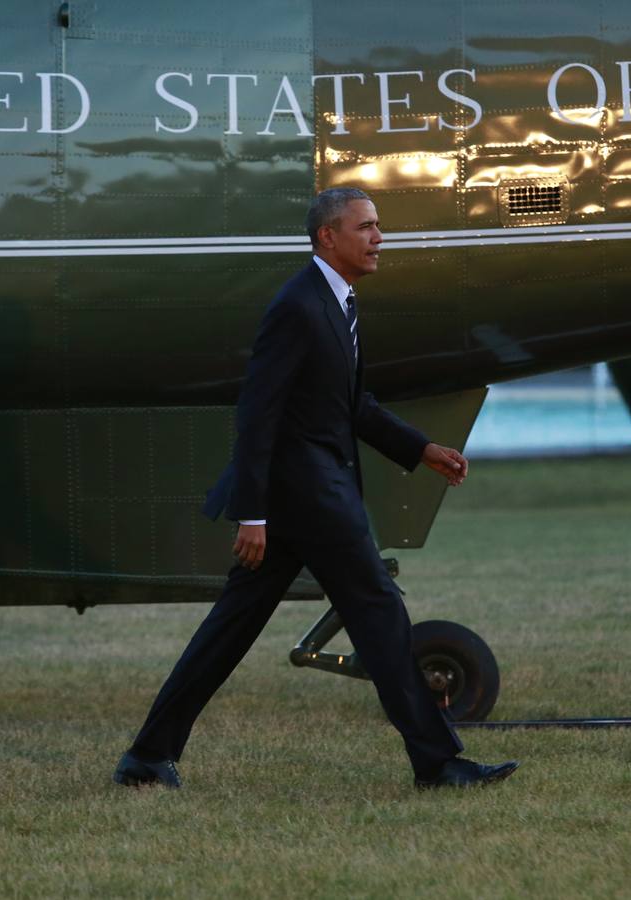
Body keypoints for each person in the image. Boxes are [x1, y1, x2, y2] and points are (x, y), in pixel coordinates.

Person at [114, 189, 517, 790]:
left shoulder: (340, 303)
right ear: (329, 237)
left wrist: (421, 449)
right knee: (380, 611)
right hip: (308, 497)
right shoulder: (298, 307)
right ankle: (439, 764)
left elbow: (350, 404)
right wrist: (252, 513)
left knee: (230, 629)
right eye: (367, 227)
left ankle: (147, 757)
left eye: (379, 227)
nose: (379, 238)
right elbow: (258, 413)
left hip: (304, 498)